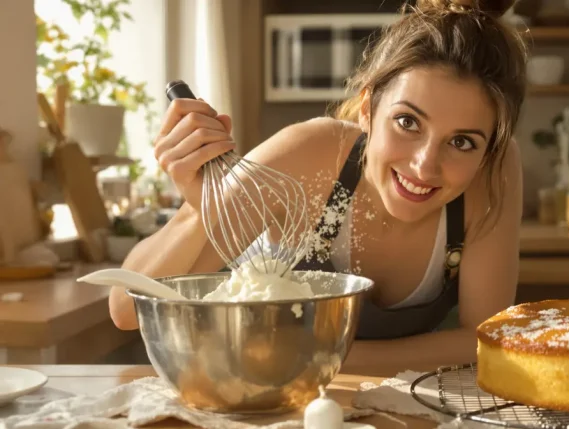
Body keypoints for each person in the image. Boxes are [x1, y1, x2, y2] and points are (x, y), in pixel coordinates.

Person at [110, 0, 527, 371]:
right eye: (407, 122)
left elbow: (484, 338)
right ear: (367, 110)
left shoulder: (495, 171)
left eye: (461, 142)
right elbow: (127, 309)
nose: (424, 165)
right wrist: (196, 209)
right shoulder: (310, 154)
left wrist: (323, 358)